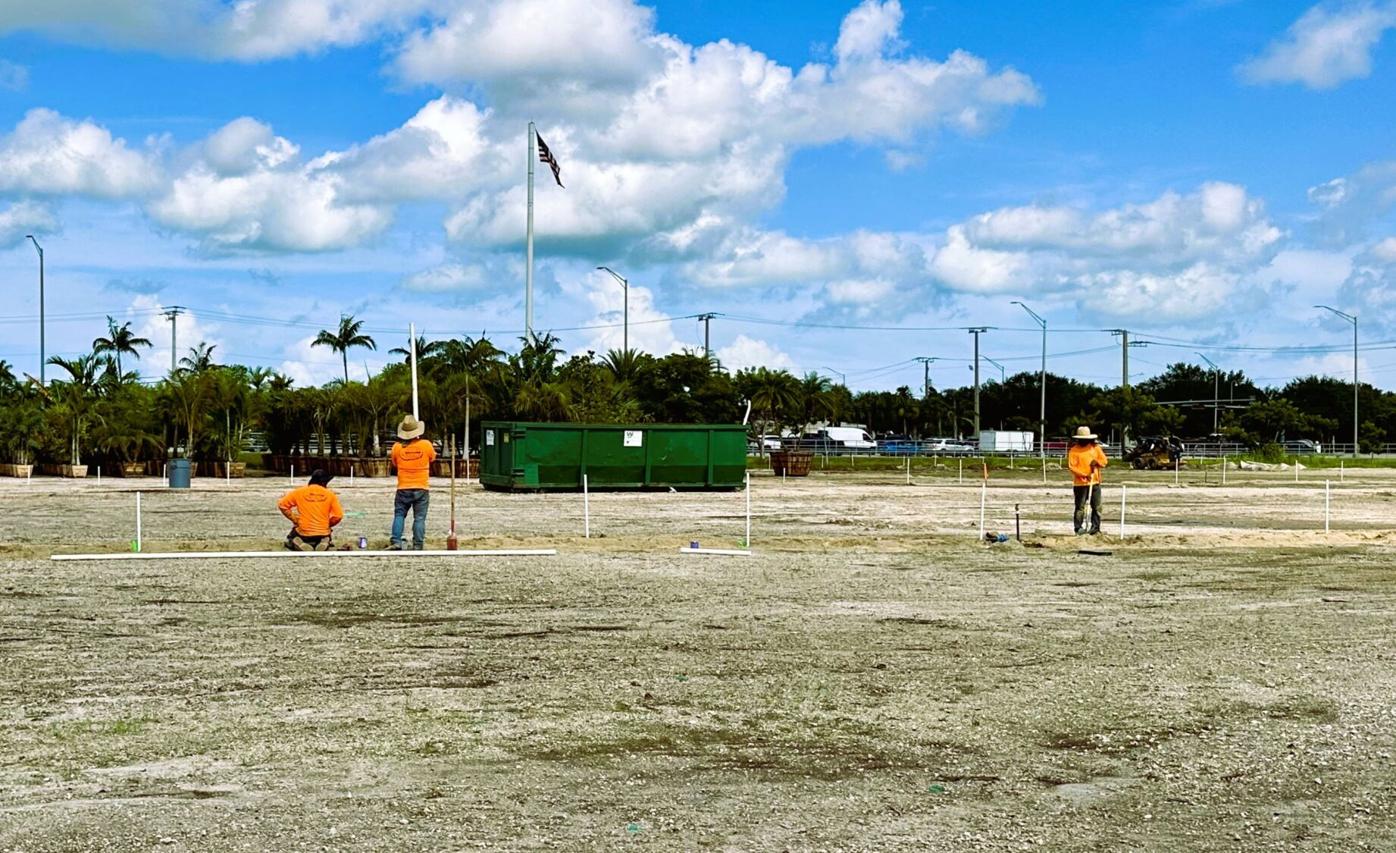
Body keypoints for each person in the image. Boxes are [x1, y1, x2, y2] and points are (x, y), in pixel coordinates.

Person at [390, 414, 437, 550]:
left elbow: (394, 463)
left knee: (399, 515)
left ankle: (396, 541)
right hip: (421, 487)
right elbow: (432, 458)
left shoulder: (396, 448)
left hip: (403, 487)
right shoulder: (426, 445)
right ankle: (418, 544)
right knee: (419, 518)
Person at [278, 468, 344, 551]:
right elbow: (338, 516)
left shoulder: (299, 492)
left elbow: (282, 505)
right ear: (323, 483)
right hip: (323, 532)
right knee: (326, 535)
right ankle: (324, 541)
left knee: (292, 536)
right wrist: (328, 524)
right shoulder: (330, 495)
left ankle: (297, 542)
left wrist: (295, 519)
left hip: (303, 532)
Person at [1067, 425, 1108, 535]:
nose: (1084, 441)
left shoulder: (1095, 448)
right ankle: (1078, 528)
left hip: (1095, 482)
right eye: (1082, 439)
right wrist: (1085, 475)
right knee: (1080, 507)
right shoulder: (1074, 451)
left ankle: (1095, 527)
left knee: (1097, 506)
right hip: (1080, 484)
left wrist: (1097, 462)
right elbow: (1072, 467)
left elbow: (1104, 461)